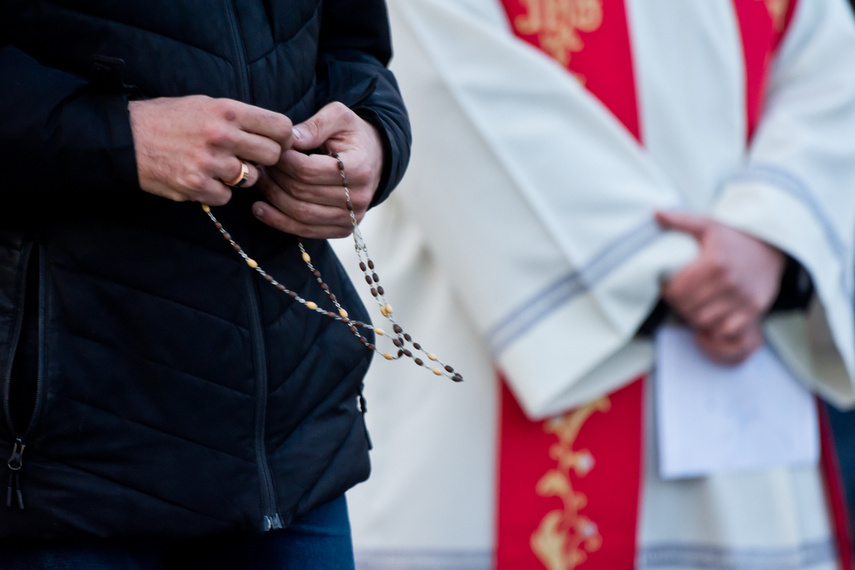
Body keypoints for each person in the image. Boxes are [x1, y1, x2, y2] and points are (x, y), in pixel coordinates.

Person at [334, 0, 855, 568]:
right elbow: (432, 77)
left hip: (745, 375)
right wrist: (703, 268)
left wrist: (770, 232)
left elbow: (831, 79)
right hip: (489, 357)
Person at [0, 0, 410, 568]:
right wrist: (119, 135)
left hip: (294, 458)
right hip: (68, 469)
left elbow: (351, 45)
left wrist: (376, 137)